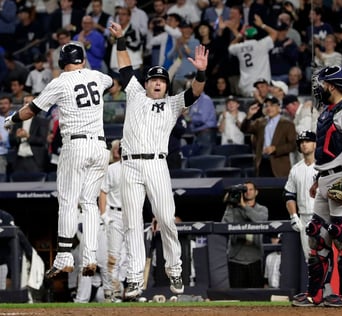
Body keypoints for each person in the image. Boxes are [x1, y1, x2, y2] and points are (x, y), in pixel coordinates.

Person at [108, 21, 209, 300]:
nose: (156, 83)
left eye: (161, 80)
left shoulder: (174, 103)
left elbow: (196, 91)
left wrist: (200, 70)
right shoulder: (136, 94)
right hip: (129, 164)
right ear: (147, 82)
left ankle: (174, 268)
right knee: (131, 223)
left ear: (166, 85)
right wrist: (120, 39)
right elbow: (126, 67)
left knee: (165, 218)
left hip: (156, 164)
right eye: (153, 79)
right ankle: (133, 279)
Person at [4, 43, 113, 279]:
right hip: (100, 146)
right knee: (90, 203)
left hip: (76, 145)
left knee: (67, 200)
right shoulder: (98, 76)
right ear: (82, 60)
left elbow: (31, 110)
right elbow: (111, 83)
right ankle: (90, 256)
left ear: (63, 62)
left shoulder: (60, 82)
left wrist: (11, 119)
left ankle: (64, 256)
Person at [292, 65, 342, 308]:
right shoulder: (327, 111)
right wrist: (319, 179)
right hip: (327, 178)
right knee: (316, 233)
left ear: (332, 85)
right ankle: (316, 293)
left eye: (322, 83)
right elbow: (327, 153)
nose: (318, 88)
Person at [221, 181, 268, 288]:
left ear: (256, 192)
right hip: (236, 258)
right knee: (236, 296)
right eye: (245, 189)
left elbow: (260, 220)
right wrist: (230, 205)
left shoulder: (262, 209)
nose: (248, 192)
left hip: (255, 257)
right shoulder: (234, 209)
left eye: (251, 189)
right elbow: (224, 225)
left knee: (256, 297)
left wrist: (244, 206)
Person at [240, 95, 297, 177]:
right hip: (262, 163)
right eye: (267, 106)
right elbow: (245, 129)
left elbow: (293, 145)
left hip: (279, 166)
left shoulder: (288, 124)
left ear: (278, 107)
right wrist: (249, 116)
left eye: (272, 105)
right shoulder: (259, 122)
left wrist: (275, 149)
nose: (269, 108)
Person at [284, 131, 317, 262]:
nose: (304, 145)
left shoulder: (324, 166)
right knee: (310, 259)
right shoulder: (296, 169)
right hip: (304, 217)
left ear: (315, 144)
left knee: (326, 256)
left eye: (307, 141)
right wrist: (293, 215)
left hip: (322, 215)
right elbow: (289, 194)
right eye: (301, 142)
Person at [99, 140, 125, 302]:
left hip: (132, 216)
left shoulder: (138, 169)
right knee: (113, 256)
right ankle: (110, 290)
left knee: (128, 256)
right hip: (115, 215)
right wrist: (104, 215)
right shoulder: (112, 169)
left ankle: (122, 289)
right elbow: (103, 192)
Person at [227, 14, 277, 97]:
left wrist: (239, 35)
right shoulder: (262, 44)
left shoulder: (239, 47)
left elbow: (230, 47)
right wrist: (262, 25)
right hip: (261, 85)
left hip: (245, 85)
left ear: (245, 37)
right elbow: (274, 33)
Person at [8, 94, 49, 173]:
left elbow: (42, 141)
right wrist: (17, 137)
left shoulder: (42, 122)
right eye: (25, 103)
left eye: (30, 103)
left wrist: (27, 136)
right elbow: (11, 141)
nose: (27, 105)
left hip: (34, 160)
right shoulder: (16, 121)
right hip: (18, 160)